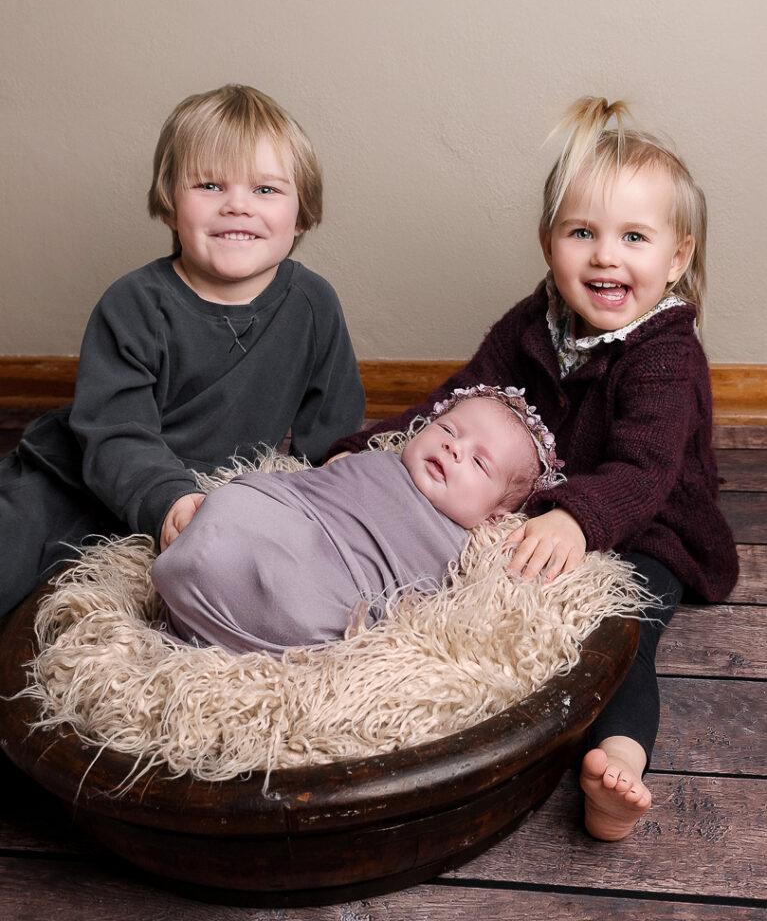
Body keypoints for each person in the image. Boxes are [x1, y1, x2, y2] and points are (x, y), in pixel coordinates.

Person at [327, 97, 739, 841]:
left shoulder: (665, 354)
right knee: (458, 571)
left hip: (650, 525)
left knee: (615, 628)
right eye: (581, 232)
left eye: (633, 237)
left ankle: (616, 765)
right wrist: (371, 444)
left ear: (675, 257)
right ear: (548, 242)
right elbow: (459, 399)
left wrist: (580, 520)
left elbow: (645, 471)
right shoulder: (534, 321)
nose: (605, 256)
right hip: (544, 505)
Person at [0, 84, 365, 618]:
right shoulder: (134, 303)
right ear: (171, 205)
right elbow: (115, 433)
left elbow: (331, 430)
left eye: (265, 190)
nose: (237, 204)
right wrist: (168, 497)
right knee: (14, 545)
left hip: (204, 488)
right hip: (79, 474)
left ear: (302, 215)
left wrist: (334, 483)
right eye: (210, 184)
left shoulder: (313, 304)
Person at [151, 386, 562, 656]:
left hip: (324, 586)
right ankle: (203, 572)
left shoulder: (458, 544)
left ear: (495, 516)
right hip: (288, 520)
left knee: (306, 606)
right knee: (235, 502)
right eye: (448, 429)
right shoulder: (374, 459)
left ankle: (209, 601)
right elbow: (300, 487)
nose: (454, 448)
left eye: (477, 461)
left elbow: (413, 614)